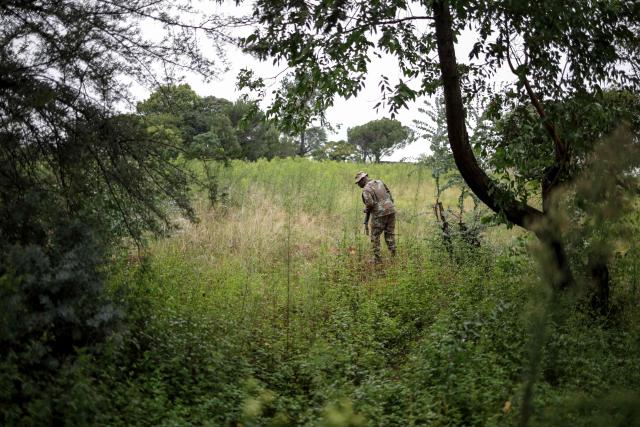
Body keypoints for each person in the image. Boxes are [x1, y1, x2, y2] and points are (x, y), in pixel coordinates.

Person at [355, 171, 396, 262]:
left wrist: (366, 209)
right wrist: (389, 206)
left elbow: (370, 203)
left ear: (363, 179)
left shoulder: (366, 189)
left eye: (358, 182)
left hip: (379, 213)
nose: (358, 185)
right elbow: (389, 195)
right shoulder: (379, 182)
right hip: (391, 210)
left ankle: (377, 258)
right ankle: (393, 255)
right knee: (390, 233)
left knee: (375, 236)